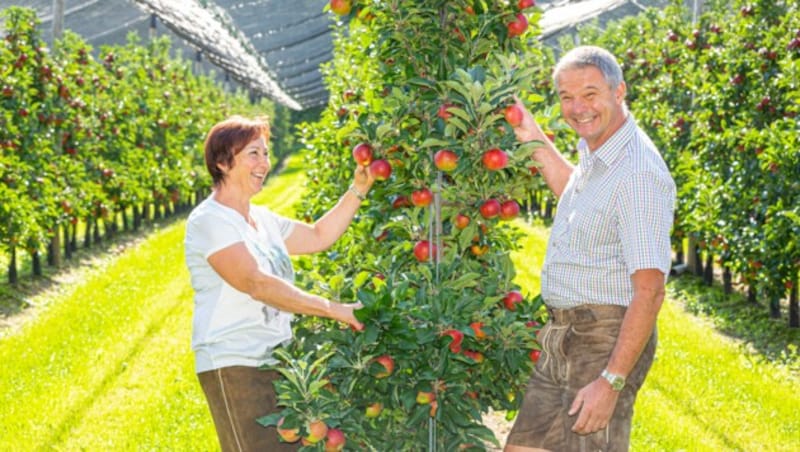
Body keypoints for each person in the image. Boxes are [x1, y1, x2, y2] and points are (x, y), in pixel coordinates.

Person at [505, 46, 676, 451]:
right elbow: (578, 198)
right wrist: (531, 134)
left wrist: (611, 381)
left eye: (590, 93)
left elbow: (650, 291)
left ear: (620, 92)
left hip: (603, 337)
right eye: (566, 97)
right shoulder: (601, 150)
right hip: (564, 334)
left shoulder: (637, 174)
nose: (578, 107)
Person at [184, 115, 373, 451]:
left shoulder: (262, 220)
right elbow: (256, 283)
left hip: (279, 360)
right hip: (235, 362)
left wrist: (358, 189)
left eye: (266, 153)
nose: (265, 163)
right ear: (223, 162)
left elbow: (318, 235)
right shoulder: (210, 221)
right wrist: (331, 309)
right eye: (253, 154)